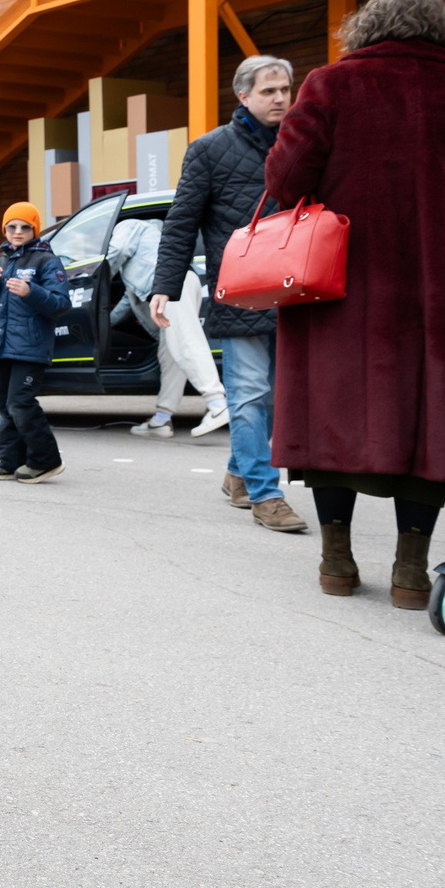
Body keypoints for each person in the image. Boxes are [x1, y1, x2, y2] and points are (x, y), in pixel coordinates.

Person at [266, 0, 445, 606]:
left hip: (340, 284)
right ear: (444, 31)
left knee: (329, 410)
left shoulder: (330, 84)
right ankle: (410, 573)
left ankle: (336, 561)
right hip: (443, 288)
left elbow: (287, 179)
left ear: (365, 28)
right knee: (430, 415)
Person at [151, 55, 307, 534]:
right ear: (243, 95)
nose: (280, 98)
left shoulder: (305, 143)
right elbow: (181, 222)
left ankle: (239, 473)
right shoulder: (209, 150)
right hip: (241, 290)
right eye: (268, 91)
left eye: (284, 89)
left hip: (297, 289)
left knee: (279, 397)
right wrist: (165, 286)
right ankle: (266, 494)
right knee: (249, 392)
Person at [106, 217, 227, 438]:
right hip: (180, 283)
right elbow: (127, 301)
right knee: (171, 355)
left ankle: (217, 403)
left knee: (186, 343)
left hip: (169, 286)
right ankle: (162, 420)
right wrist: (105, 323)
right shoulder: (149, 255)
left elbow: (118, 249)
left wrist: (99, 276)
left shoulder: (131, 225)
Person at [0, 204, 70, 483]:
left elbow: (60, 304)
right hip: (2, 347)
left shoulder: (46, 261)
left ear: (34, 229)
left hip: (31, 348)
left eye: (25, 227)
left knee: (20, 403)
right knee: (6, 406)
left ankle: (45, 461)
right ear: (4, 229)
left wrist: (31, 291)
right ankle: (10, 461)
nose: (18, 232)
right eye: (12, 226)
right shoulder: (3, 261)